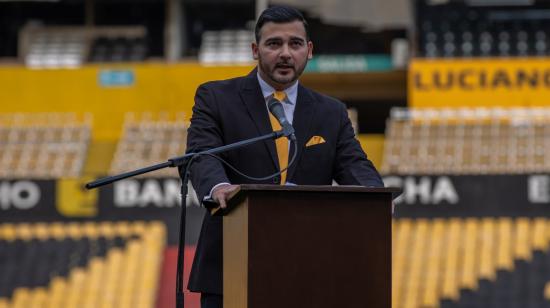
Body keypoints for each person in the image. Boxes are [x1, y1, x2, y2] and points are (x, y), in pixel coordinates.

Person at [184, 5, 384, 308]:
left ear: (309, 50)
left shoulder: (330, 111)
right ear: (255, 49)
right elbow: (201, 154)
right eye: (274, 44)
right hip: (231, 268)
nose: (286, 53)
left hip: (308, 271)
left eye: (295, 43)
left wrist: (375, 199)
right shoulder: (216, 98)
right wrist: (218, 187)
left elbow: (354, 164)